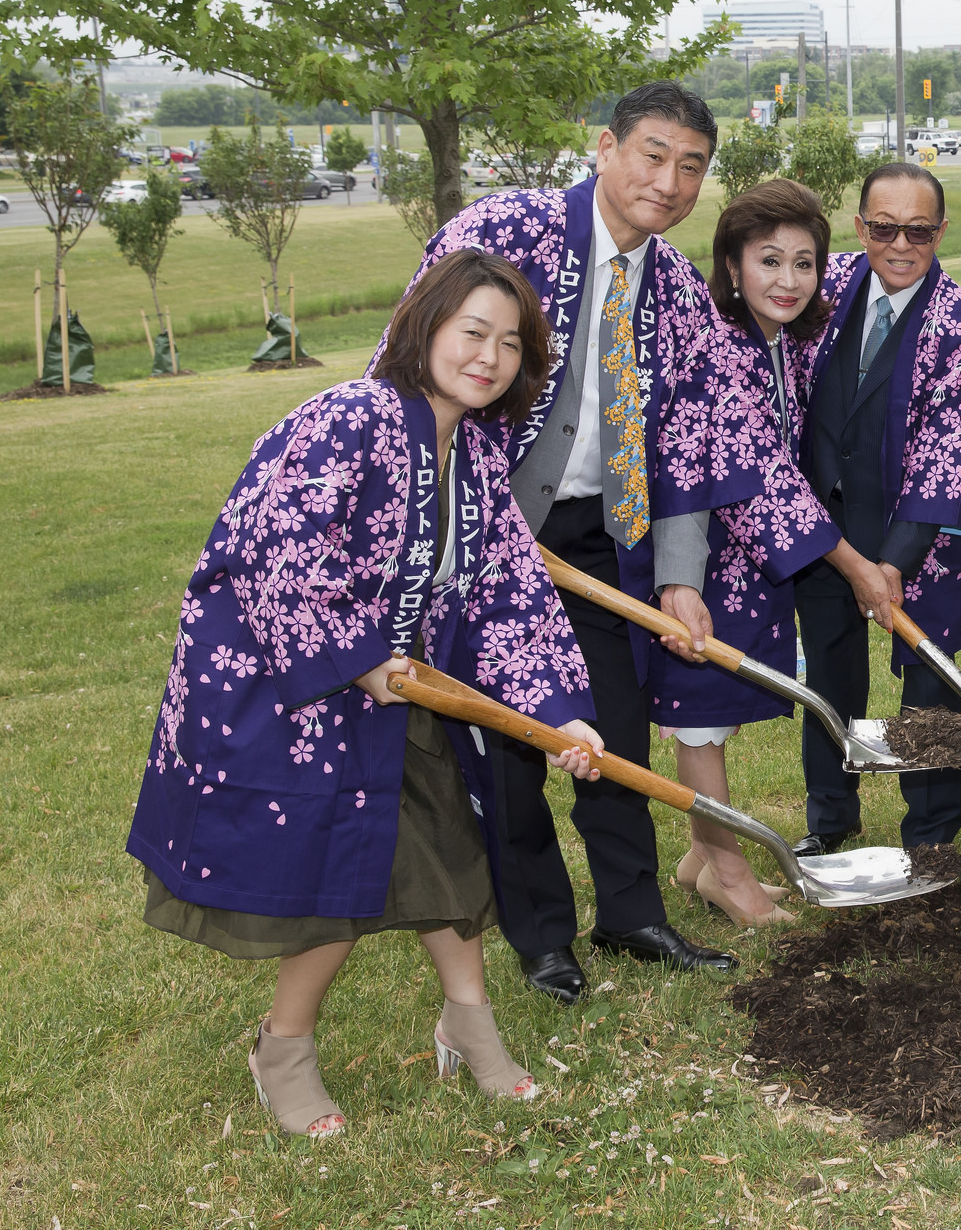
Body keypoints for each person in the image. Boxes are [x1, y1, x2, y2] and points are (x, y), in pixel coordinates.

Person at [128, 249, 606, 1139]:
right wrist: (360, 661)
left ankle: (469, 1023)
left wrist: (556, 713)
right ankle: (282, 1047)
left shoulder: (470, 455)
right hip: (295, 684)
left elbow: (509, 595)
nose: (489, 357)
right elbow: (286, 553)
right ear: (426, 324)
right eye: (474, 332)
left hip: (402, 687)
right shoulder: (349, 416)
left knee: (450, 851)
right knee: (337, 877)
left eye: (510, 344)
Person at [379, 81, 734, 1002]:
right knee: (511, 741)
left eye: (690, 165)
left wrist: (681, 577)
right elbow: (413, 370)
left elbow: (690, 444)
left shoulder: (680, 291)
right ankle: (542, 937)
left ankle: (631, 913)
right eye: (652, 153)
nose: (668, 179)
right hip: (500, 532)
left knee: (612, 732)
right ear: (605, 145)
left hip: (603, 535)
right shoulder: (504, 233)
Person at [648, 180, 901, 926]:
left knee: (717, 711)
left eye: (804, 263)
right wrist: (855, 566)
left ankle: (702, 853)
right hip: (699, 560)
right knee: (701, 714)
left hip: (741, 561)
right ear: (730, 265)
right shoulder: (721, 349)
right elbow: (764, 481)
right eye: (768, 261)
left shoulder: (773, 342)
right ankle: (728, 871)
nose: (788, 280)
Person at [786, 162, 961, 856]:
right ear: (860, 227)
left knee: (928, 675)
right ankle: (830, 818)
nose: (900, 243)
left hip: (922, 530)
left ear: (942, 231)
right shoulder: (828, 286)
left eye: (918, 229)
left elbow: (947, 454)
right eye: (884, 227)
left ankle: (933, 834)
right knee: (829, 670)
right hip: (825, 525)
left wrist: (890, 565)